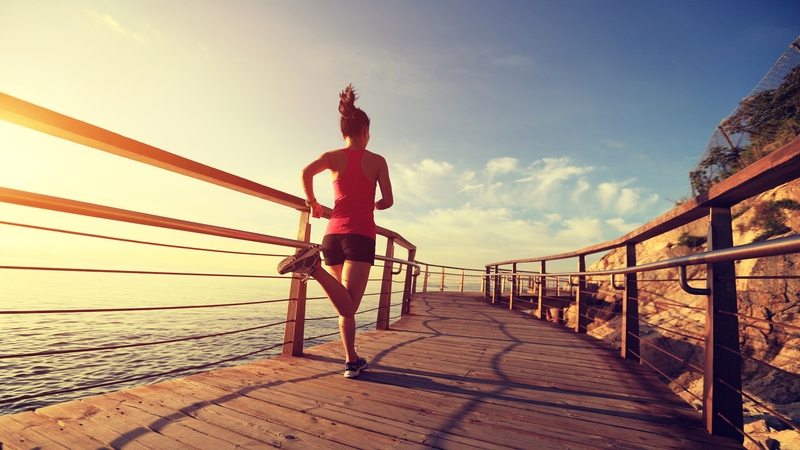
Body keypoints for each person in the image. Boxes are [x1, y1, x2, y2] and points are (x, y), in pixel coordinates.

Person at [277, 84, 393, 379]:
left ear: (344, 133)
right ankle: (313, 267)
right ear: (365, 130)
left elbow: (305, 172)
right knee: (351, 305)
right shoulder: (377, 161)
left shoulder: (332, 156)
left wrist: (312, 201)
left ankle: (352, 360)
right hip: (360, 235)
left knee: (344, 303)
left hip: (332, 235)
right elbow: (388, 201)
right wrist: (375, 206)